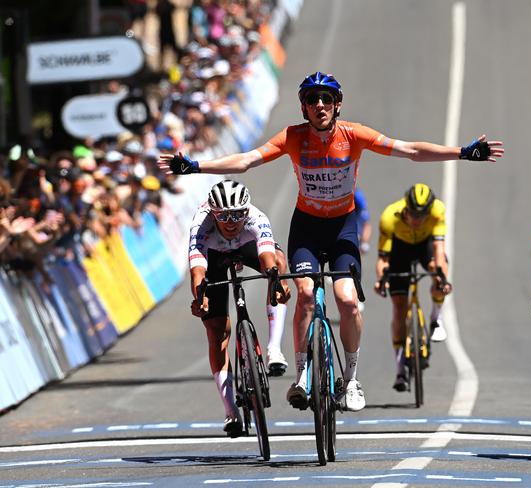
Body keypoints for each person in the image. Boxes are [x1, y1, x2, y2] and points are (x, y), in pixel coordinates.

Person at [159, 71, 505, 412]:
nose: (320, 104)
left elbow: (410, 150)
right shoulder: (293, 137)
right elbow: (247, 160)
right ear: (304, 108)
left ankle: (351, 379)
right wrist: (195, 166)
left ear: (338, 105)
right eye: (312, 100)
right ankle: (302, 376)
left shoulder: (354, 135)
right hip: (307, 227)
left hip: (343, 227)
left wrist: (463, 152)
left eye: (327, 99)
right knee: (306, 294)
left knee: (347, 300)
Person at [189, 179, 291, 436]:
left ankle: (274, 349)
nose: (231, 221)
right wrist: (200, 298)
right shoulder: (200, 225)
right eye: (223, 216)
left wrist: (274, 279)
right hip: (213, 257)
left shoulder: (257, 218)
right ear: (213, 213)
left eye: (237, 214)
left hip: (247, 247)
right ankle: (230, 411)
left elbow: (267, 256)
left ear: (247, 210)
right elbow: (198, 270)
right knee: (216, 331)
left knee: (278, 265)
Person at [373, 183, 452, 392]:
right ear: (405, 209)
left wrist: (442, 278)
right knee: (399, 307)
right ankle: (400, 369)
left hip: (425, 246)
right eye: (414, 214)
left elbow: (439, 250)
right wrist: (381, 279)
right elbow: (383, 259)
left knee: (438, 270)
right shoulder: (390, 217)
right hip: (400, 250)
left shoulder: (437, 211)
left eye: (422, 215)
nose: (418, 220)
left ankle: (436, 318)